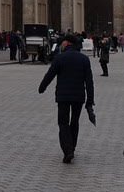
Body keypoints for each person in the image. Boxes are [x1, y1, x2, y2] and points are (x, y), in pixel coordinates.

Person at [38, 33, 94, 164]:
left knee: (63, 123)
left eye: (62, 43)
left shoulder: (60, 58)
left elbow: (50, 75)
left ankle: (67, 150)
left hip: (63, 96)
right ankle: (72, 148)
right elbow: (89, 82)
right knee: (74, 122)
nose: (61, 44)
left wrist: (42, 87)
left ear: (67, 43)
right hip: (79, 97)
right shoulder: (84, 59)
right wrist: (90, 100)